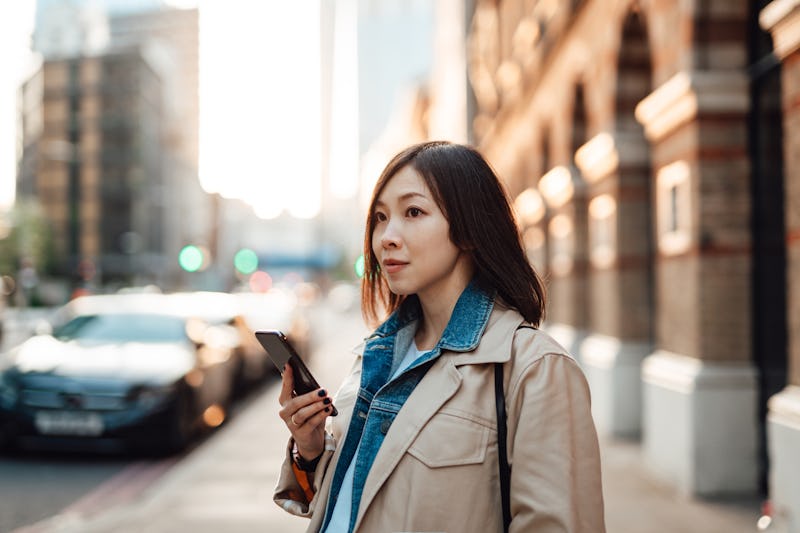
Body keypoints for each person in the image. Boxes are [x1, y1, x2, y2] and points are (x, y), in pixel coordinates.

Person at [275, 141, 605, 532]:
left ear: (468, 229)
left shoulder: (533, 368)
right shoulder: (376, 355)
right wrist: (311, 450)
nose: (386, 237)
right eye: (380, 217)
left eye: (413, 212)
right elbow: (358, 496)